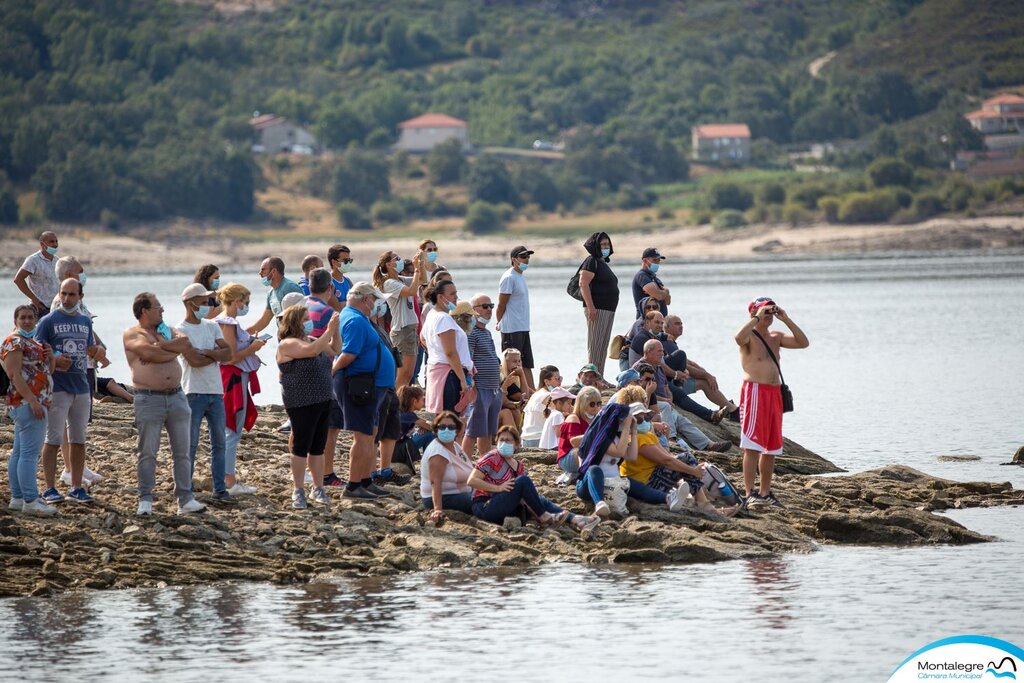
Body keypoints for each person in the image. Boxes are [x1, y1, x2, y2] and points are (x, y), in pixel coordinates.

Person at [123, 292, 206, 516]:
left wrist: (161, 346)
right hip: (149, 398)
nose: (162, 310)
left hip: (177, 396)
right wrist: (168, 349)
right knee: (148, 451)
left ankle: (185, 498)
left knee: (183, 451)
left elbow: (184, 343)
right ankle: (145, 499)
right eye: (158, 307)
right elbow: (148, 352)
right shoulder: (132, 333)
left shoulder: (165, 330)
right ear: (144, 311)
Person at [35, 278, 107, 504]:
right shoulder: (48, 321)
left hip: (82, 387)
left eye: (72, 295)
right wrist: (55, 358)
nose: (67, 298)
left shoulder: (85, 321)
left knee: (78, 439)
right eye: (63, 294)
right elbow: (35, 351)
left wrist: (97, 351)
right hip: (58, 388)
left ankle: (76, 487)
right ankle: (49, 488)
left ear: (80, 297)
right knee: (53, 439)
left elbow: (90, 349)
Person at [735, 297, 809, 508]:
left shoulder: (776, 337)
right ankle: (749, 493)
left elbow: (803, 343)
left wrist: (785, 318)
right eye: (764, 312)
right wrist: (757, 316)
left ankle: (765, 492)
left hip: (774, 393)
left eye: (770, 312)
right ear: (754, 314)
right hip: (755, 391)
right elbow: (738, 337)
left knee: (771, 447)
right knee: (752, 446)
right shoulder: (750, 336)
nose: (769, 316)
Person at [468, 426, 600, 532]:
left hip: (507, 505)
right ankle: (544, 516)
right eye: (501, 440)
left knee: (538, 498)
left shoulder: (519, 466)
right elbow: (472, 480)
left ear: (516, 444)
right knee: (523, 481)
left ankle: (575, 519)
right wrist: (498, 488)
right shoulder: (492, 457)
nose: (503, 443)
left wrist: (534, 509)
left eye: (508, 440)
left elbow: (524, 498)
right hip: (486, 505)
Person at [333, 283, 396, 500]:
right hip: (362, 385)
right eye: (375, 299)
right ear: (365, 299)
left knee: (370, 434)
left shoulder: (359, 318)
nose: (377, 304)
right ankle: (352, 486)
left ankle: (366, 481)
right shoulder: (354, 320)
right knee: (363, 436)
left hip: (374, 384)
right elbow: (348, 354)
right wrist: (330, 372)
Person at [276, 303, 341, 509]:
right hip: (301, 402)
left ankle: (317, 487)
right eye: (305, 319)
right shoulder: (287, 344)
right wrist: (328, 331)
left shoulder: (313, 339)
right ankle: (298, 490)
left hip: (322, 399)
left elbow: (335, 349)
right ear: (295, 322)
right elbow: (312, 351)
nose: (308, 322)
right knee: (301, 446)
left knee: (318, 447)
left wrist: (335, 331)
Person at [51, 256, 107, 488]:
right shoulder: (60, 303)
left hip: (86, 364)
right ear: (67, 277)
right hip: (73, 369)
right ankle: (68, 468)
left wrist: (101, 350)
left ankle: (78, 466)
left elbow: (87, 330)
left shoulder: (78, 302)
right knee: (68, 421)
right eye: (79, 271)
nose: (84, 274)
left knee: (79, 422)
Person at [176, 283, 234, 503]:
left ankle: (220, 490)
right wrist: (214, 355)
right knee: (189, 444)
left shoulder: (211, 326)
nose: (208, 305)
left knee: (219, 443)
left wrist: (209, 352)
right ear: (190, 303)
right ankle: (186, 489)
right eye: (203, 301)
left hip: (215, 392)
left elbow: (227, 353)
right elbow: (194, 360)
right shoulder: (180, 329)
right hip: (193, 392)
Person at [3, 305, 57, 515]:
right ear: (15, 320)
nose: (27, 321)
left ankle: (17, 498)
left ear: (36, 320)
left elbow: (46, 371)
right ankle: (30, 499)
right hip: (27, 404)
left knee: (18, 452)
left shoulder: (34, 341)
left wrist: (51, 357)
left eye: (30, 318)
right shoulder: (14, 342)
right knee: (29, 455)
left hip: (36, 402)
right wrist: (33, 402)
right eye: (22, 318)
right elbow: (14, 375)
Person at [216, 283, 266, 495]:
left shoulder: (225, 322)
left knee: (230, 428)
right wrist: (253, 348)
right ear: (236, 301)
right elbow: (231, 357)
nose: (246, 306)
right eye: (245, 302)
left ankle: (226, 476)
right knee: (232, 430)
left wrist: (250, 344)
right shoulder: (228, 323)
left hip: (234, 378)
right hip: (233, 379)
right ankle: (229, 479)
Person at [619, 405, 717, 513]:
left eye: (647, 418)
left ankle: (701, 499)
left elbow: (667, 455)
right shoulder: (636, 439)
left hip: (652, 475)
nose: (645, 421)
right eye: (640, 419)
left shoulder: (647, 435)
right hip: (645, 482)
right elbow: (666, 461)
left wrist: (665, 436)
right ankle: (703, 503)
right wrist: (693, 471)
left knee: (684, 460)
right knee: (686, 459)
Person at [634, 339, 729, 426]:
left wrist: (669, 397)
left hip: (664, 401)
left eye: (662, 351)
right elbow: (644, 393)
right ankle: (711, 415)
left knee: (685, 422)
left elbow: (666, 388)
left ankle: (711, 439)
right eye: (659, 351)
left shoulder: (659, 366)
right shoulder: (641, 368)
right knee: (677, 398)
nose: (662, 354)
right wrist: (665, 400)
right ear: (649, 352)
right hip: (653, 403)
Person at [664, 314, 740, 421]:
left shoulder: (671, 342)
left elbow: (687, 361)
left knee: (704, 378)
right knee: (704, 383)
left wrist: (703, 371)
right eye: (677, 324)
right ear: (666, 327)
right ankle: (732, 410)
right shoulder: (667, 343)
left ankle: (728, 406)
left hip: (676, 380)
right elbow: (686, 366)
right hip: (671, 386)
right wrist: (706, 375)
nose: (681, 326)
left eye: (681, 324)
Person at [374, 250, 426, 387]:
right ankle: (395, 403)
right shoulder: (389, 283)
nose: (400, 261)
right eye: (397, 259)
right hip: (402, 330)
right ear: (389, 265)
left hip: (410, 329)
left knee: (409, 374)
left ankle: (400, 403)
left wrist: (420, 265)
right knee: (403, 374)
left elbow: (422, 280)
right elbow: (411, 292)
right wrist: (415, 270)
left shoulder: (401, 280)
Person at [422, 282, 473, 414]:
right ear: (440, 297)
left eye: (456, 293)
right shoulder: (444, 318)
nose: (456, 297)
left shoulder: (431, 315)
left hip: (438, 372)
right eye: (452, 294)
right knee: (451, 420)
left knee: (442, 420)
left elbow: (422, 338)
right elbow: (450, 352)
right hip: (449, 375)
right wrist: (462, 379)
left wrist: (436, 353)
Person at [464, 293, 502, 458]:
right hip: (480, 388)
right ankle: (463, 462)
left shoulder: (485, 333)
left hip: (493, 388)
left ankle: (484, 461)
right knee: (473, 430)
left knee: (486, 431)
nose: (489, 310)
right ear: (474, 310)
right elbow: (467, 360)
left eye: (491, 306)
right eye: (485, 306)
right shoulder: (471, 333)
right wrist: (472, 386)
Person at [420, 411, 475, 521]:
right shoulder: (437, 453)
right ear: (436, 429)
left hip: (462, 491)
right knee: (482, 502)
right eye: (442, 427)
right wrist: (438, 509)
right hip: (445, 496)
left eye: (451, 427)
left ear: (457, 430)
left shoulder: (454, 446)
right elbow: (435, 482)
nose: (446, 430)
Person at [578, 231, 618, 375]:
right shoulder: (591, 261)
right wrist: (591, 307)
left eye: (607, 244)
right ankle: (590, 377)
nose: (605, 247)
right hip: (597, 309)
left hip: (607, 310)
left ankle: (599, 376)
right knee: (595, 346)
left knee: (602, 346)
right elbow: (583, 284)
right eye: (602, 244)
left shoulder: (602, 263)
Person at [496, 245, 535, 391]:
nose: (527, 259)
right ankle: (513, 392)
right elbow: (501, 304)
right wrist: (498, 321)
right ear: (514, 259)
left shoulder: (519, 277)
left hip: (523, 326)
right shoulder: (509, 277)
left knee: (526, 363)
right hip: (512, 327)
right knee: (512, 365)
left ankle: (532, 393)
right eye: (523, 256)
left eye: (528, 256)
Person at [246, 257, 304, 335]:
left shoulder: (290, 287)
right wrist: (242, 335)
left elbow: (303, 317)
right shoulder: (271, 293)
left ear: (273, 271)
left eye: (263, 269)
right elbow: (264, 321)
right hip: (283, 337)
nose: (260, 273)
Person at [556, 386, 601, 484]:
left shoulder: (596, 419)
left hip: (586, 454)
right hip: (567, 457)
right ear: (583, 404)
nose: (596, 407)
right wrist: (595, 433)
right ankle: (584, 475)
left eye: (599, 403)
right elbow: (574, 442)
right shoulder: (574, 418)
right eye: (592, 404)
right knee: (580, 451)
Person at [13, 230, 60, 318]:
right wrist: (34, 299)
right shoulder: (33, 260)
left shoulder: (57, 261)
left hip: (56, 308)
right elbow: (18, 279)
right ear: (42, 244)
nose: (55, 244)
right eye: (51, 241)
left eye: (56, 241)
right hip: (40, 308)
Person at [520, 365, 561, 447]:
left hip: (525, 440)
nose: (560, 382)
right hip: (539, 439)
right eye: (557, 379)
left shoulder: (536, 394)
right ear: (547, 382)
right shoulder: (548, 396)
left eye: (560, 378)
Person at [632, 247, 671, 317]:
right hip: (647, 321)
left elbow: (668, 301)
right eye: (655, 260)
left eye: (659, 260)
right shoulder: (642, 275)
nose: (657, 263)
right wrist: (664, 291)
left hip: (660, 322)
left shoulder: (655, 278)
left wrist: (664, 292)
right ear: (645, 260)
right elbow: (659, 296)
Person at [498, 348, 529, 429]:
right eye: (514, 361)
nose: (518, 364)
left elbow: (531, 392)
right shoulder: (505, 379)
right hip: (501, 409)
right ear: (505, 363)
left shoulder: (514, 378)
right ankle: (520, 436)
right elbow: (525, 396)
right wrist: (522, 375)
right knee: (517, 410)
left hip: (507, 406)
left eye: (519, 361)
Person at [397, 384, 434, 453]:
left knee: (427, 432)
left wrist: (423, 427)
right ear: (414, 401)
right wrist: (425, 427)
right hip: (398, 449)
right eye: (422, 399)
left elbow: (424, 422)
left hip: (397, 446)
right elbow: (431, 427)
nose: (424, 402)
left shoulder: (403, 413)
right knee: (430, 434)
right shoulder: (409, 415)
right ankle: (428, 459)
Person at [327, 244, 354, 311]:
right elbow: (338, 308)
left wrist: (344, 303)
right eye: (345, 261)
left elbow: (357, 304)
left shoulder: (348, 281)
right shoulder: (328, 282)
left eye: (349, 260)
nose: (348, 263)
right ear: (333, 262)